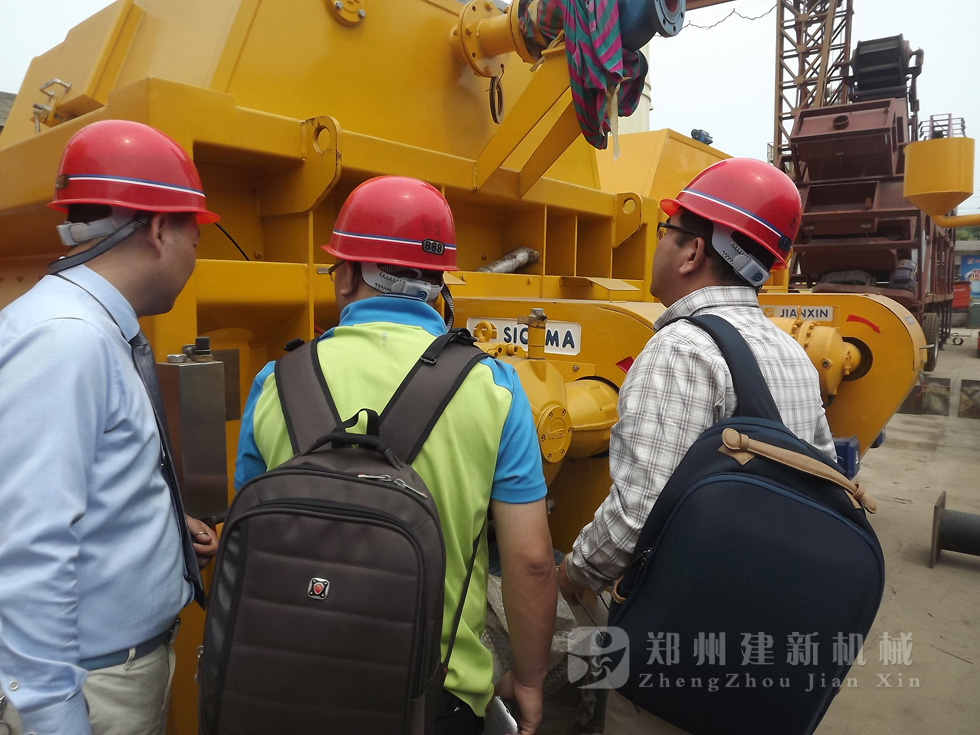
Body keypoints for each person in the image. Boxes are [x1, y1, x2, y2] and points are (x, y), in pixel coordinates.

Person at [234, 175, 558, 735]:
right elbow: (530, 561)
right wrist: (528, 680)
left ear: (347, 274)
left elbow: (249, 536)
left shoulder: (275, 382)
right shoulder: (495, 388)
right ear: (438, 283)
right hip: (435, 697)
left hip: (287, 689)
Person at [556, 158, 835, 734]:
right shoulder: (790, 352)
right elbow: (828, 476)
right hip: (763, 623)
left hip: (676, 645)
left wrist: (573, 573)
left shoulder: (680, 349)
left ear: (691, 253)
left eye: (666, 231)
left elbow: (636, 519)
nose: (658, 245)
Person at [0, 119, 220, 735]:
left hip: (106, 675)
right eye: (195, 235)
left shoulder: (79, 328)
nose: (195, 254)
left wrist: (155, 524)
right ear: (159, 229)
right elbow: (29, 545)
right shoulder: (67, 342)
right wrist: (52, 714)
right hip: (89, 688)